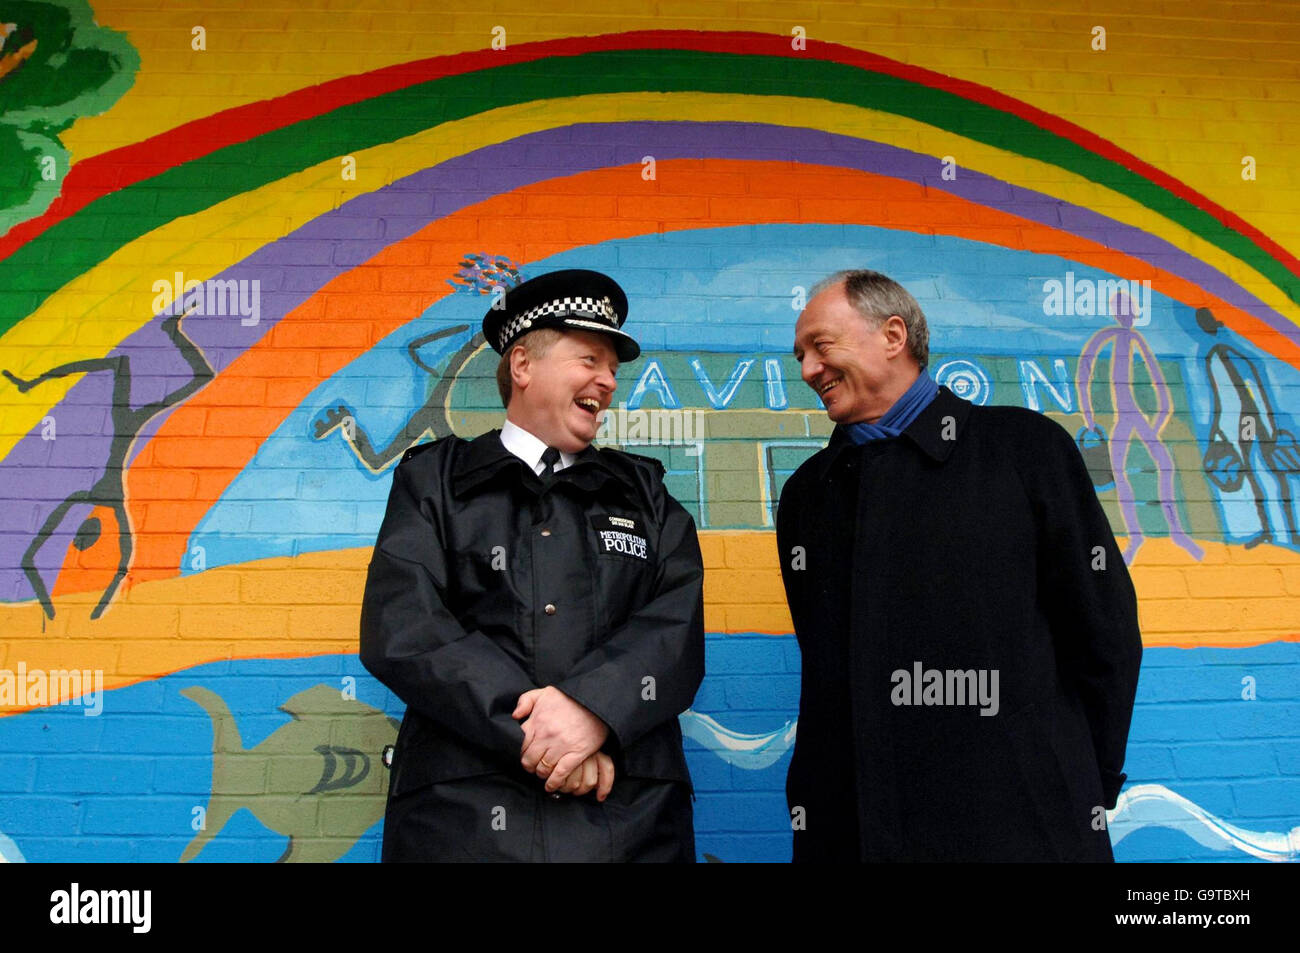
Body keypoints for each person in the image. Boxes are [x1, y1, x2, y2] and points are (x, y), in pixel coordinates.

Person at [778, 269, 1143, 862]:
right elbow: (824, 662)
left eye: (821, 347)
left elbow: (1105, 634)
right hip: (851, 829)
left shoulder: (1025, 448)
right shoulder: (807, 494)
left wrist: (1083, 777)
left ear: (893, 335)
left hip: (1024, 821)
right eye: (800, 357)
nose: (808, 371)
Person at [360, 269, 705, 862]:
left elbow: (674, 628)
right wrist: (547, 738)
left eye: (613, 370)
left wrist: (594, 711)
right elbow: (405, 626)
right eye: (590, 359)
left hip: (629, 822)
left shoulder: (647, 497)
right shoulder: (433, 484)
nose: (608, 382)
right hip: (462, 825)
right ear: (522, 365)